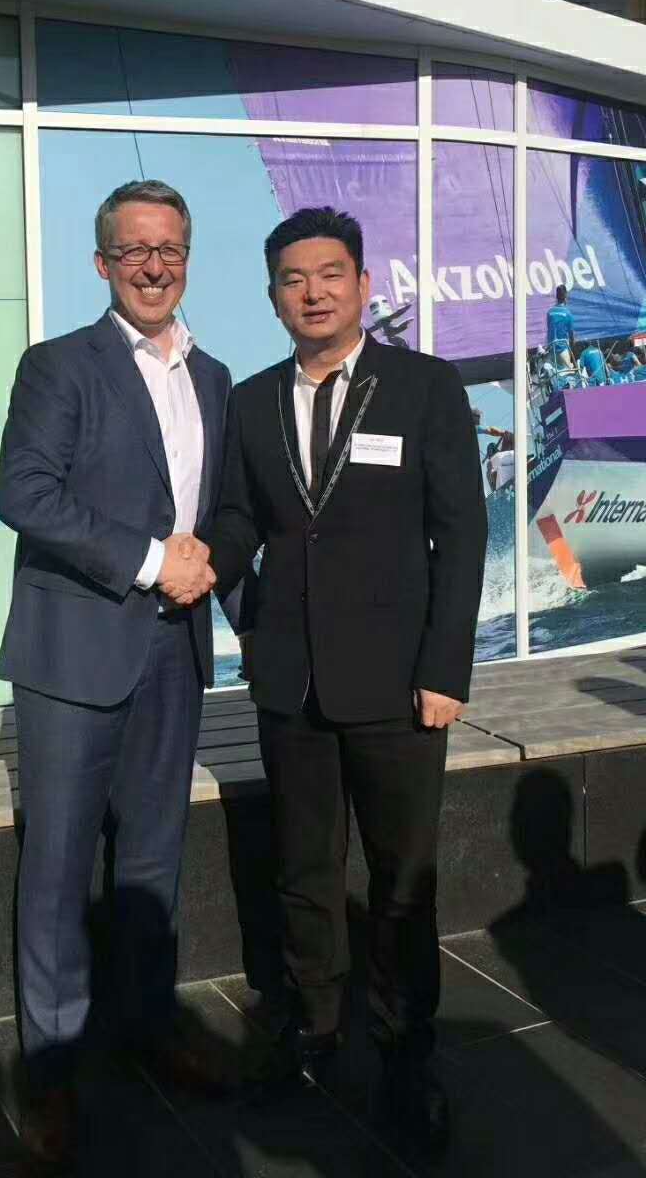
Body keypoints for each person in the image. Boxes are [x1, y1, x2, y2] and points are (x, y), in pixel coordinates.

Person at [210, 206, 486, 1157]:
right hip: (291, 685)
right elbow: (241, 521)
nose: (314, 292)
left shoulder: (424, 387)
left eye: (331, 274)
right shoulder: (252, 401)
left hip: (401, 686)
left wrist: (445, 667)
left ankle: (406, 1056)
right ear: (273, 296)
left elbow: (462, 534)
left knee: (401, 883)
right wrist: (222, 595)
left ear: (364, 285)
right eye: (294, 279)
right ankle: (312, 1032)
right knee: (303, 872)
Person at [0, 179, 231, 1166]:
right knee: (56, 870)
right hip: (74, 654)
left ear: (187, 260)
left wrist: (208, 572)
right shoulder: (60, 366)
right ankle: (51, 1072)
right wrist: (148, 560)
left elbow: (212, 513)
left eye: (168, 248)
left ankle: (146, 1028)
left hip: (174, 651)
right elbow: (23, 492)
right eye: (133, 249)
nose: (152, 265)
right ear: (102, 263)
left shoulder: (213, 375)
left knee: (151, 862)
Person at [546, 285, 576, 372]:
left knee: (555, 375)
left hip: (551, 350)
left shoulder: (549, 312)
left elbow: (549, 329)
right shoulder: (568, 313)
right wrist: (572, 346)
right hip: (562, 350)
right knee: (568, 374)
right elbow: (571, 335)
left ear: (556, 297)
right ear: (566, 296)